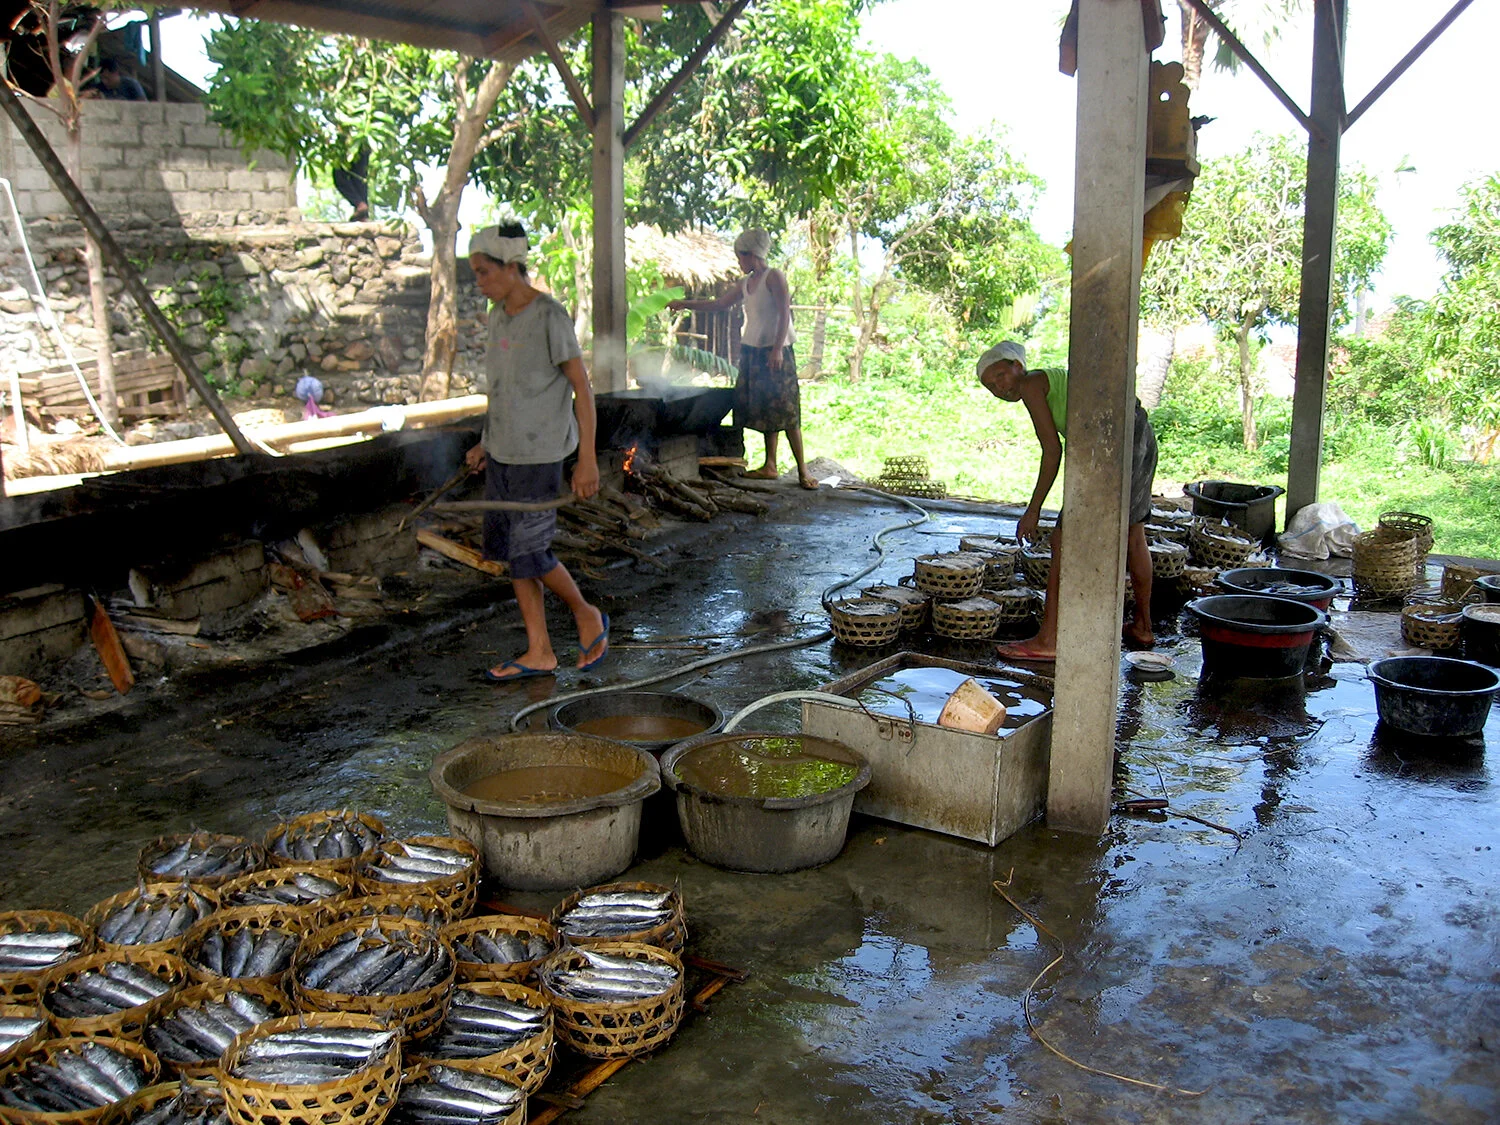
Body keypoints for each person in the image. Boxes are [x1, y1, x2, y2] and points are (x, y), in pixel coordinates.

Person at [462, 222, 609, 681]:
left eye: (484, 272)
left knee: (532, 553)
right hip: (502, 453)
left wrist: (587, 459)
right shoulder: (497, 317)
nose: (479, 282)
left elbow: (582, 389)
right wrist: (485, 441)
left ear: (511, 267)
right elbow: (503, 389)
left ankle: (585, 612)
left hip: (539, 456)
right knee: (514, 556)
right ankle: (540, 650)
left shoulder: (549, 315)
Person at [977, 340, 1158, 659]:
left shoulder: (1031, 384)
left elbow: (1052, 451)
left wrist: (1033, 510)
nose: (999, 388)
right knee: (1133, 535)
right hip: (1138, 432)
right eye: (991, 386)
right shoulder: (1048, 381)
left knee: (1063, 540)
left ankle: (1049, 640)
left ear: (1018, 366)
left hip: (1113, 441)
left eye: (1001, 376)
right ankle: (1143, 626)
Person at [669, 229, 816, 490]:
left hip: (775, 351)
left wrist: (777, 349)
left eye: (740, 257)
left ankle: (803, 472)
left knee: (787, 410)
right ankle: (770, 466)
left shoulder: (774, 277)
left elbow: (785, 313)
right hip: (752, 351)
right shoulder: (745, 283)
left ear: (752, 254)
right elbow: (719, 304)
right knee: (767, 409)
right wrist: (685, 303)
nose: (739, 262)